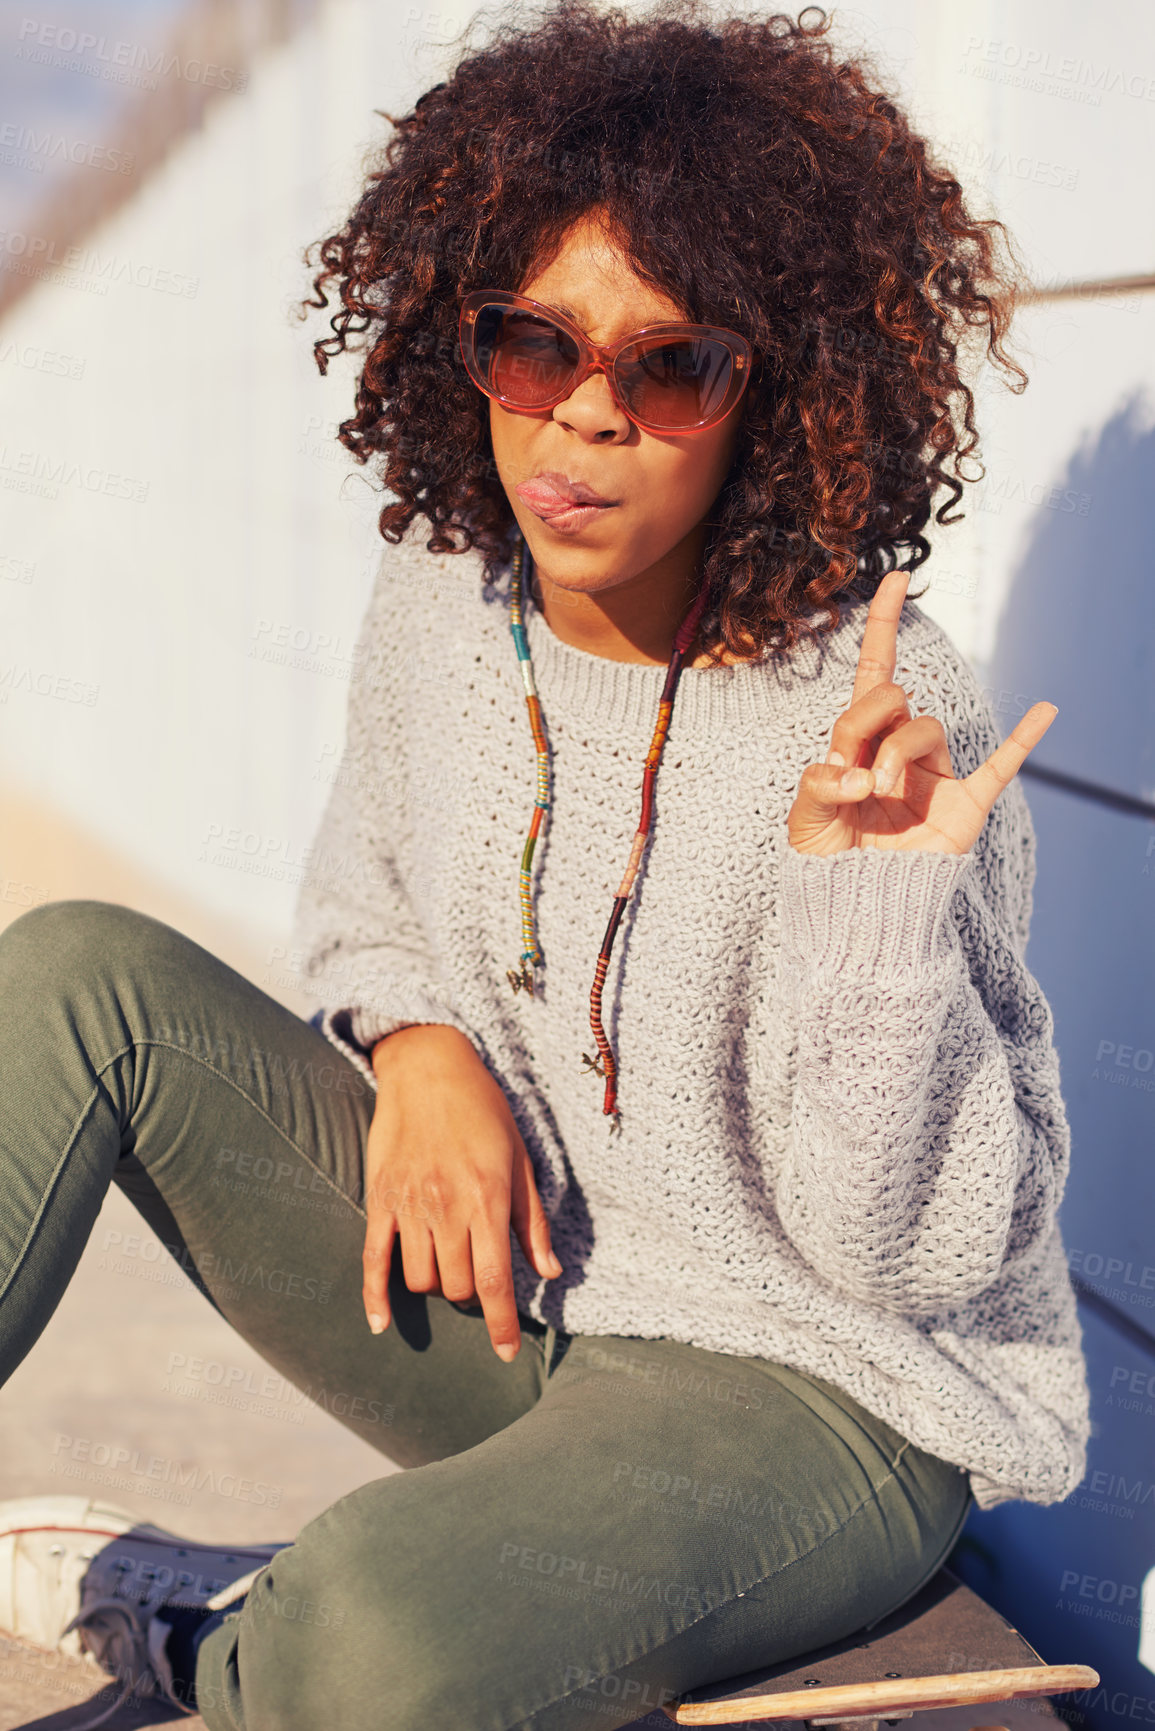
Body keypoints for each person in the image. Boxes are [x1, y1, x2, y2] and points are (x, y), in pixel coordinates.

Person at [0, 3, 1090, 1728]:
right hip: (532, 1297)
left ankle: (215, 1638)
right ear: (465, 341)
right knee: (71, 977)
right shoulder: (454, 589)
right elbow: (361, 889)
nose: (582, 422)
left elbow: (909, 1260)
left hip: (809, 1392)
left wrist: (867, 909)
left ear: (769, 395)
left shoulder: (878, 717)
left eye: (668, 367)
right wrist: (416, 1044)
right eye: (534, 348)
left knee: (366, 1620)